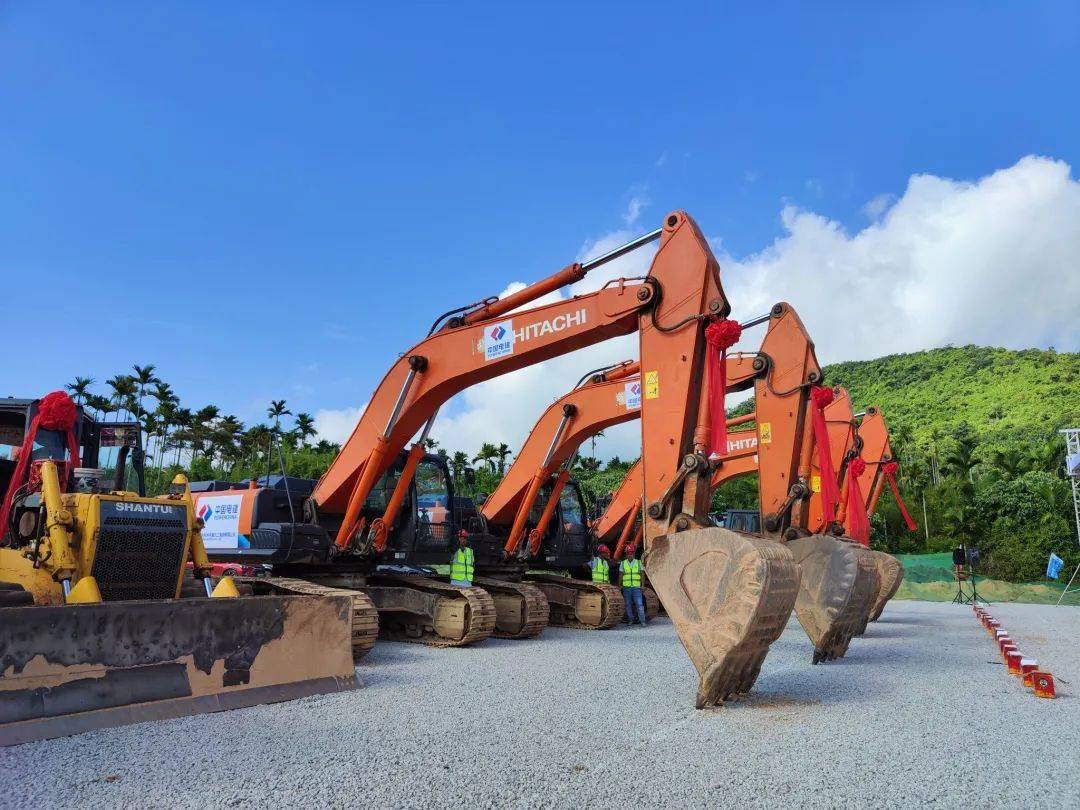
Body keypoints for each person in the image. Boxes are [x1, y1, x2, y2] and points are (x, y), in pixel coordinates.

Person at [619, 552, 647, 625]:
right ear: (626, 555)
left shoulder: (638, 563)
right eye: (628, 554)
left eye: (631, 553)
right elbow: (621, 575)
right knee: (628, 604)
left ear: (634, 555)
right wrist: (620, 585)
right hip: (626, 587)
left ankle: (642, 621)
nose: (629, 555)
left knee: (639, 604)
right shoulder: (623, 563)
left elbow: (642, 574)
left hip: (636, 587)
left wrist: (642, 585)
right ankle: (631, 620)